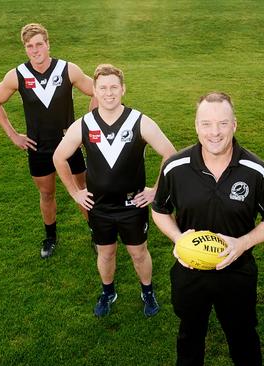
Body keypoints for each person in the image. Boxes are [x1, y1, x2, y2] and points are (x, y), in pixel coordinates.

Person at [152, 92, 264, 365]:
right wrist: (179, 238)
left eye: (223, 124)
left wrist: (242, 243)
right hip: (189, 273)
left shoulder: (255, 171)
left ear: (234, 125)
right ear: (196, 126)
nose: (215, 132)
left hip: (237, 274)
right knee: (190, 337)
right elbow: (159, 210)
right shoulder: (175, 167)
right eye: (207, 124)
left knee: (243, 338)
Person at [53, 64, 176, 317]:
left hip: (133, 205)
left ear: (123, 89)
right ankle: (108, 291)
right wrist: (76, 192)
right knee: (106, 253)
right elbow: (58, 157)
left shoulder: (139, 121)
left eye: (113, 87)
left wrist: (155, 190)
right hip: (99, 207)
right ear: (95, 91)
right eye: (102, 88)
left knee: (139, 253)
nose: (108, 93)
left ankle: (147, 291)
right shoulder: (84, 125)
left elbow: (170, 154)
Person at [0, 23, 96, 259]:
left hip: (69, 145)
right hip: (39, 148)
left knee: (83, 190)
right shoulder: (18, 75)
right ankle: (51, 237)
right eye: (29, 46)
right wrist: (13, 134)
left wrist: (85, 126)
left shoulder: (68, 69)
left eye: (39, 44)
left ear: (48, 44)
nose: (35, 50)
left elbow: (98, 90)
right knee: (47, 194)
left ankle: (95, 232)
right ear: (25, 49)